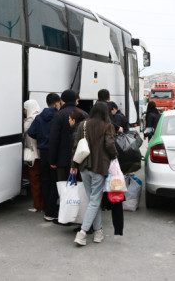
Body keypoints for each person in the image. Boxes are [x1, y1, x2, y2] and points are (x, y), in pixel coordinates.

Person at [69, 102, 118, 245]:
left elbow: (76, 146)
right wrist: (115, 156)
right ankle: (82, 233)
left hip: (84, 166)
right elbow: (109, 145)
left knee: (92, 201)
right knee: (95, 201)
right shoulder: (107, 126)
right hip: (99, 166)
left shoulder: (83, 125)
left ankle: (98, 232)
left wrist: (74, 165)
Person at [27, 93, 61, 221]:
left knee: (45, 181)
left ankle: (47, 207)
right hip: (55, 152)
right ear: (57, 104)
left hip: (43, 153)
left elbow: (31, 132)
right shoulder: (58, 116)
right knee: (55, 181)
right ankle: (51, 211)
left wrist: (41, 139)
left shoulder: (39, 117)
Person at [49, 90, 87, 182]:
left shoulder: (59, 115)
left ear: (62, 100)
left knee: (64, 186)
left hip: (62, 159)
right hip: (81, 158)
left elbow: (54, 139)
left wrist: (52, 160)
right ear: (75, 100)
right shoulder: (84, 114)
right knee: (79, 186)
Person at [23, 100, 43, 213]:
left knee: (34, 181)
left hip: (34, 155)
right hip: (41, 153)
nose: (24, 111)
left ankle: (38, 205)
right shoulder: (39, 116)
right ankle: (42, 204)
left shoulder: (31, 119)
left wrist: (24, 121)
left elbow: (23, 129)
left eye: (25, 109)